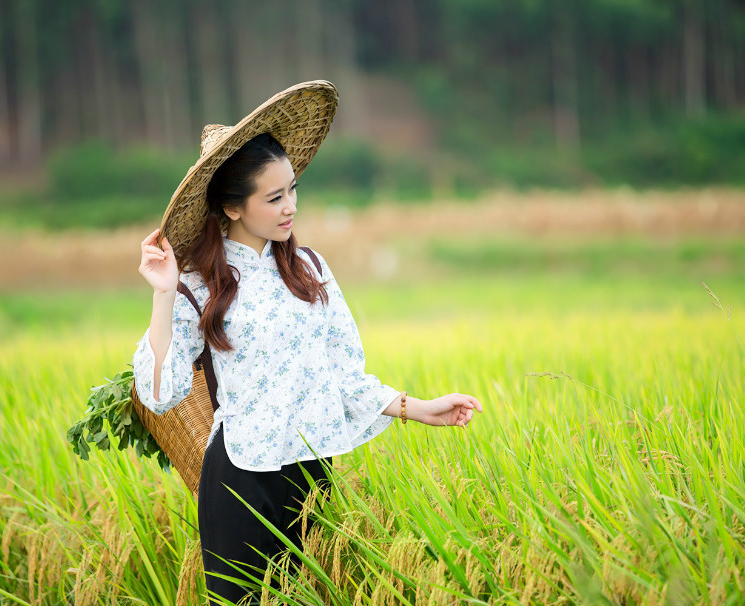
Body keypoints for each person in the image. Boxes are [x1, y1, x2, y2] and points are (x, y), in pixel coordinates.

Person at [131, 81, 482, 605]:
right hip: (241, 480)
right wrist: (162, 296)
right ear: (231, 207)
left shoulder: (309, 268)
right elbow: (159, 393)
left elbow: (343, 376)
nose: (291, 206)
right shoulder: (197, 284)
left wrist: (419, 408)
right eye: (274, 197)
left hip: (311, 473)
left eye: (293, 189)